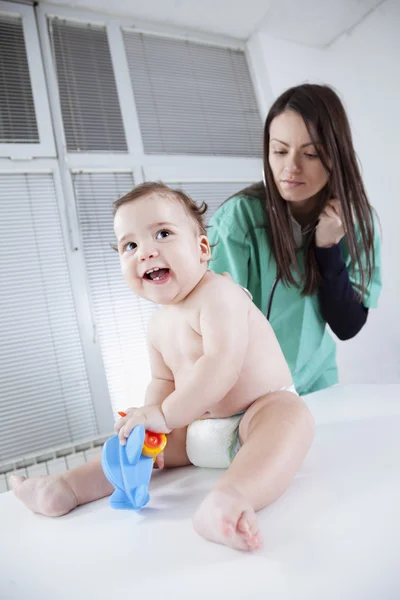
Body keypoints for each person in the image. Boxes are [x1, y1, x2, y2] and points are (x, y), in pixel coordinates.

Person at [12, 182, 315, 552]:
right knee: (136, 446)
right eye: (130, 245)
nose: (146, 252)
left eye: (163, 233)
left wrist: (166, 415)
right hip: (197, 430)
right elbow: (162, 381)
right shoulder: (157, 324)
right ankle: (67, 487)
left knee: (291, 417)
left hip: (256, 413)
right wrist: (147, 419)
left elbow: (223, 366)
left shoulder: (220, 294)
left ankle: (230, 499)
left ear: (202, 248)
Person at [207, 83, 382, 396]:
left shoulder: (357, 223)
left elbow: (347, 326)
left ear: (336, 156)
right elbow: (214, 325)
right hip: (247, 387)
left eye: (311, 153)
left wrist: (328, 250)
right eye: (279, 150)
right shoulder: (239, 220)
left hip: (316, 379)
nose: (290, 168)